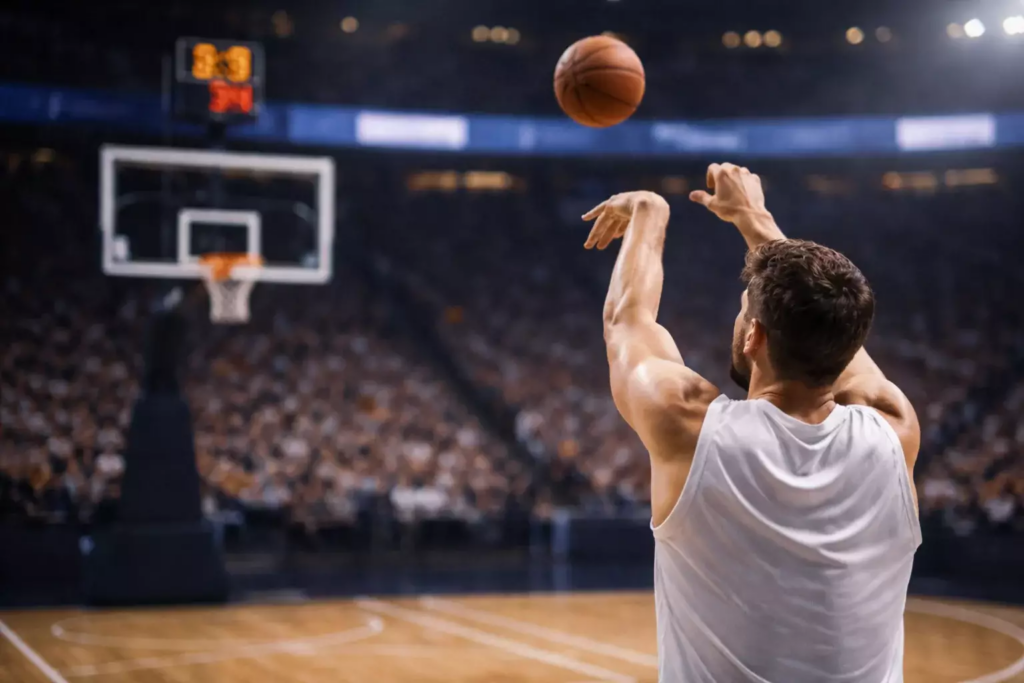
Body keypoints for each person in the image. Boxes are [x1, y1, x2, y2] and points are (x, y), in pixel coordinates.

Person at [583, 163, 922, 683]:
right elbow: (835, 328)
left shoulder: (691, 430)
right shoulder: (895, 433)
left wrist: (650, 214)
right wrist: (754, 218)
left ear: (753, 336)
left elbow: (627, 322)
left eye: (744, 311)